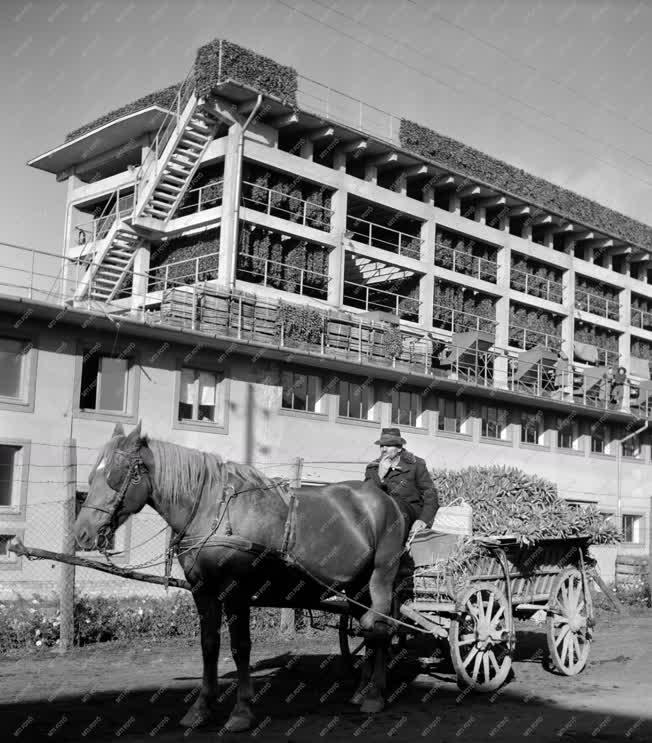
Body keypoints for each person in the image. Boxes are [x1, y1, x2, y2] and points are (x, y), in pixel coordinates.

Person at [364, 427, 439, 540]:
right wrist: (380, 475)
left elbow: (430, 494)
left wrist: (424, 520)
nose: (384, 449)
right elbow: (366, 495)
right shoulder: (373, 468)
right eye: (382, 445)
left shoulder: (416, 465)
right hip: (381, 514)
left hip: (409, 513)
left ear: (399, 448)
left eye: (388, 446)